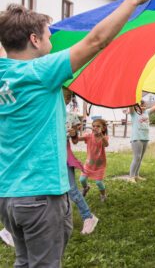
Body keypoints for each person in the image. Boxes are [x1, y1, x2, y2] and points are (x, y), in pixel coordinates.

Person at [0, 0, 155, 266]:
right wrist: (133, 0)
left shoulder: (3, 71)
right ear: (34, 40)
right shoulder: (40, 71)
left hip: (9, 196)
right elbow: (96, 40)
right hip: (39, 194)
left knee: (25, 261)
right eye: (47, 35)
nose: (51, 40)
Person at [64, 88, 99, 234]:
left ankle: (88, 216)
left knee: (71, 189)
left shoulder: (71, 117)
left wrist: (73, 134)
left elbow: (75, 140)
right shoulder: (46, 113)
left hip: (63, 156)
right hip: (47, 157)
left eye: (66, 97)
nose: (64, 99)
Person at [127, 96, 155, 182]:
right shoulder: (133, 113)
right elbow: (131, 105)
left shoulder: (147, 112)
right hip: (137, 138)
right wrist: (133, 97)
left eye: (144, 104)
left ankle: (136, 175)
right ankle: (131, 177)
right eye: (141, 104)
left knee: (141, 157)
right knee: (137, 157)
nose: (143, 105)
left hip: (145, 138)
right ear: (136, 106)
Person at [75, 119, 109, 202]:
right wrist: (76, 131)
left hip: (99, 165)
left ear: (103, 128)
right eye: (93, 126)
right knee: (82, 180)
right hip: (89, 164)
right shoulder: (89, 136)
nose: (95, 128)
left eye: (98, 126)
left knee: (98, 183)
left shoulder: (104, 137)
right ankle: (86, 188)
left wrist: (101, 135)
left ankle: (103, 195)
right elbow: (77, 139)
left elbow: (106, 145)